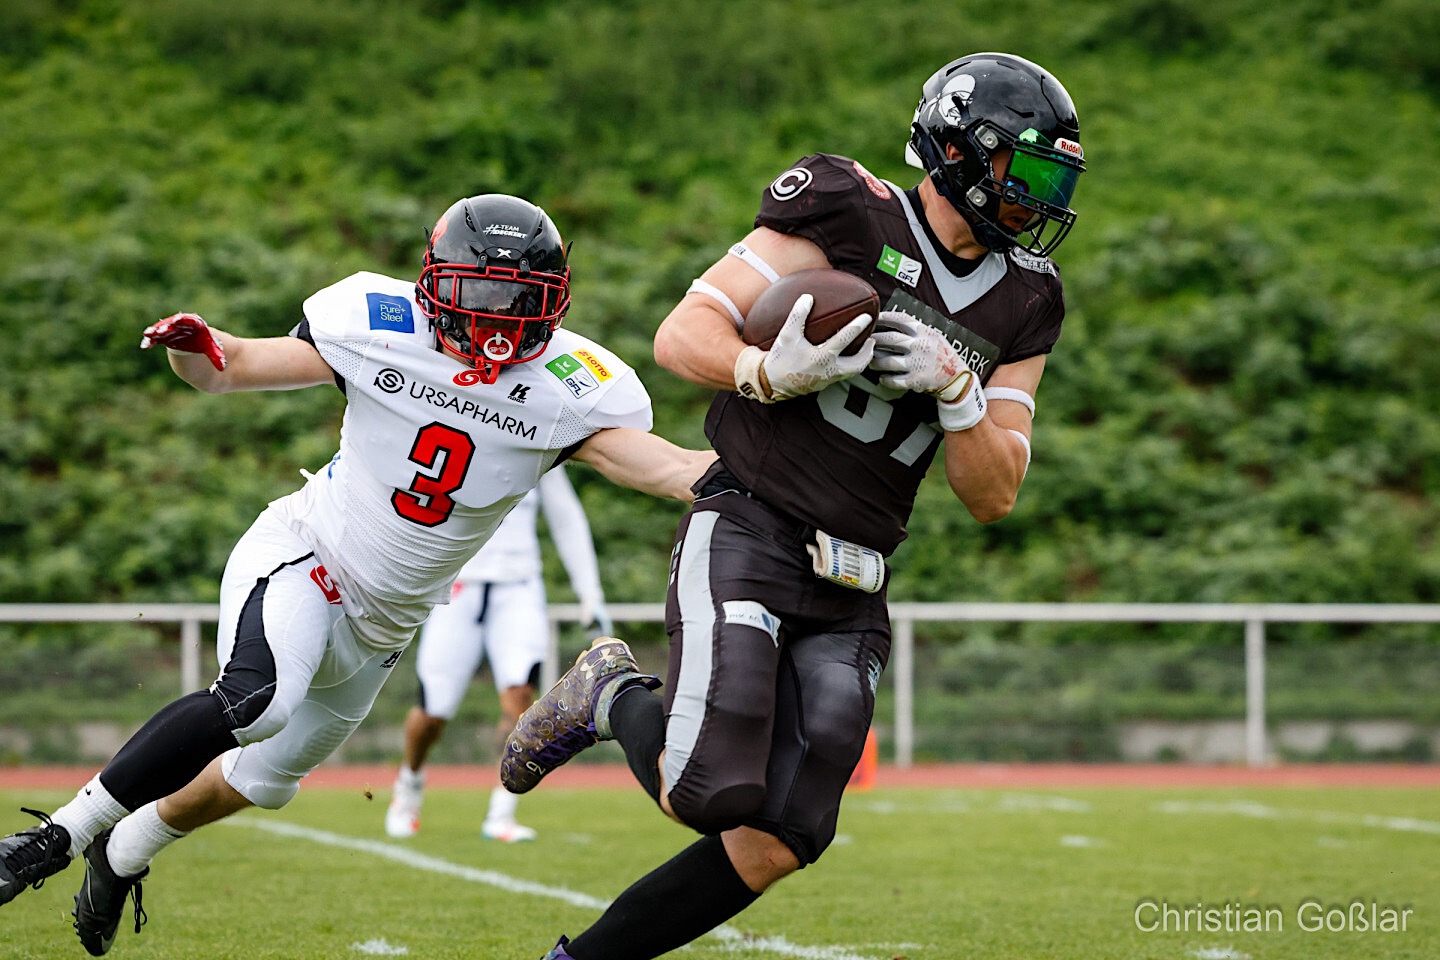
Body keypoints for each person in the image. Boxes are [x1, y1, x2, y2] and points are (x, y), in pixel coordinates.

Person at [0, 193, 712, 957]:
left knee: (264, 778)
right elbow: (230, 368)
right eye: (481, 296)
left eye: (519, 300)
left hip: (387, 624)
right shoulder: (378, 323)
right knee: (257, 701)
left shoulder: (573, 386)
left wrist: (776, 469)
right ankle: (56, 838)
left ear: (555, 300)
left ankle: (124, 851)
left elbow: (674, 468)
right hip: (310, 557)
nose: (499, 320)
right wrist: (194, 346)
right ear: (434, 285)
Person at [499, 52, 1088, 959]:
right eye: (1029, 170)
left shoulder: (1028, 298)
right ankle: (608, 690)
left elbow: (994, 492)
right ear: (962, 153)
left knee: (780, 838)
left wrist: (961, 397)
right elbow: (684, 331)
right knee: (707, 791)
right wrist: (764, 371)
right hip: (752, 524)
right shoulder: (846, 208)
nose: (1040, 199)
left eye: (1056, 178)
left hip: (857, 573)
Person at [384, 463, 611, 842]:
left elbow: (566, 515)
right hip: (458, 584)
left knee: (520, 698)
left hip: (519, 585)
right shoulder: (464, 423)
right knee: (433, 710)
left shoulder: (540, 437)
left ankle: (501, 810)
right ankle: (409, 783)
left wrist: (591, 592)